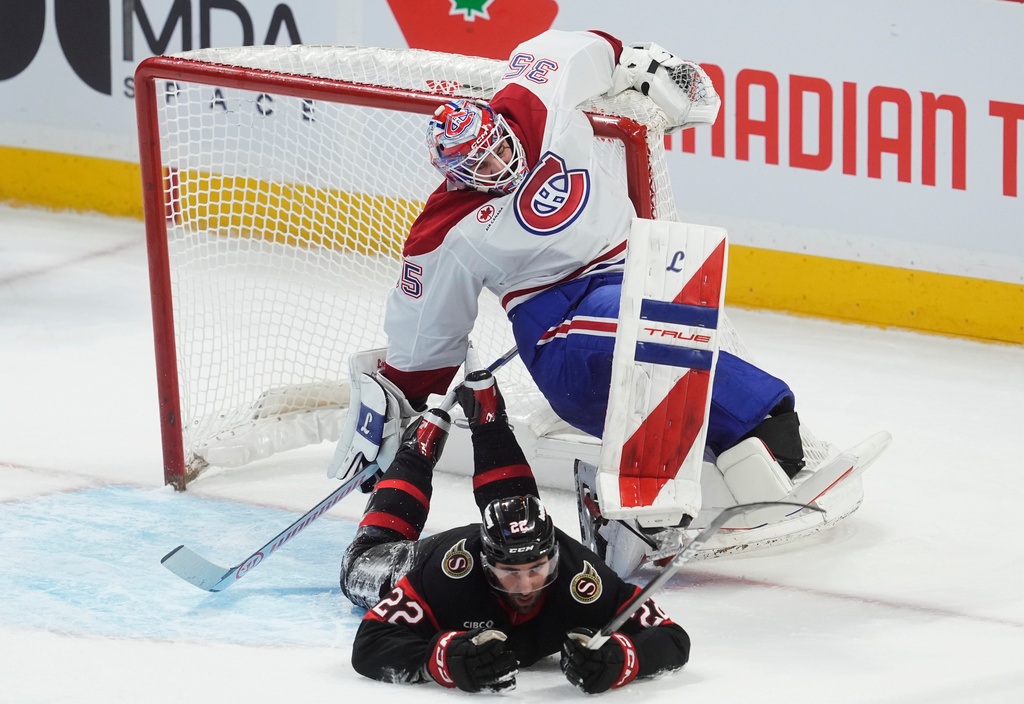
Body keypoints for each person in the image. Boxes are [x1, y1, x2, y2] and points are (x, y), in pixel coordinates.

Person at [371, 28, 806, 493]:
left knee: (632, 324)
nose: (499, 165)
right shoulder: (447, 230)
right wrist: (402, 409)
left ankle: (765, 423)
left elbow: (580, 47)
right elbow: (425, 334)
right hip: (547, 313)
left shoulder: (535, 104)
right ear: (455, 176)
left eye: (498, 147)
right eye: (481, 166)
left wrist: (641, 64)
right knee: (583, 389)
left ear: (501, 127)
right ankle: (696, 457)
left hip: (624, 267)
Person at [341, 370, 690, 693]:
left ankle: (489, 419)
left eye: (537, 568)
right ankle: (415, 451)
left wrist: (619, 661)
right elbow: (370, 643)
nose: (526, 586)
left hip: (505, 539)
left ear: (554, 555)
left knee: (516, 509)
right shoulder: (447, 578)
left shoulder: (583, 579)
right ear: (486, 563)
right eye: (510, 572)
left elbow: (673, 638)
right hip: (425, 557)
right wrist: (442, 659)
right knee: (360, 564)